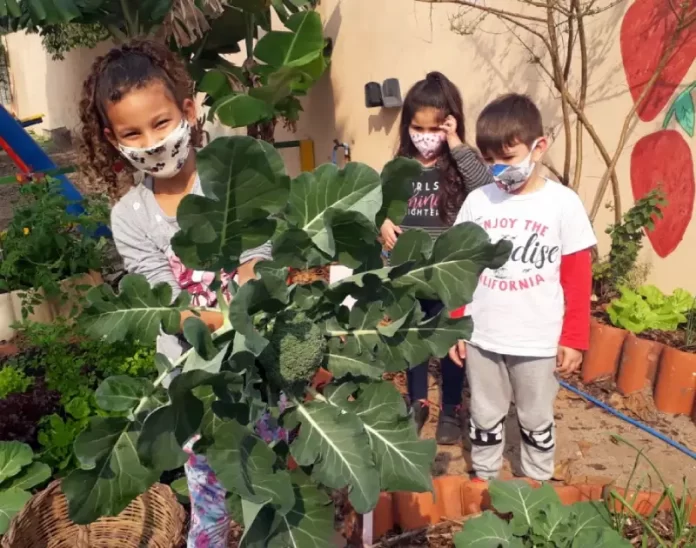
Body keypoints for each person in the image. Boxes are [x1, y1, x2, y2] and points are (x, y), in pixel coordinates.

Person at [78, 40, 278, 547]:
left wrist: (247, 297)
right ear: (112, 138)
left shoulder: (232, 178)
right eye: (132, 133)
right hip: (192, 385)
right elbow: (163, 299)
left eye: (162, 123)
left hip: (259, 367)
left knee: (271, 484)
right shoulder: (130, 216)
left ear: (187, 112)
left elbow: (261, 251)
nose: (151, 140)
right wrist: (212, 321)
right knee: (208, 502)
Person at [449, 93, 596, 481]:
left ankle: (537, 478)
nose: (499, 170)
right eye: (489, 160)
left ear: (539, 146)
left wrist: (574, 337)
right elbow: (460, 267)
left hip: (537, 341)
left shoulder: (563, 205)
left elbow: (578, 277)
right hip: (483, 336)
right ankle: (484, 475)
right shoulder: (477, 203)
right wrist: (455, 324)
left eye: (509, 158)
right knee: (484, 411)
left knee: (535, 415)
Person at [380, 71, 493, 445]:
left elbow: (484, 187)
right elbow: (380, 208)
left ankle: (450, 410)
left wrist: (458, 144)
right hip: (408, 273)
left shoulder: (460, 166)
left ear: (450, 124)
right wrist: (381, 225)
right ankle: (418, 403)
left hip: (449, 275)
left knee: (448, 344)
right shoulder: (398, 166)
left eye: (436, 128)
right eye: (417, 127)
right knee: (413, 341)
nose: (426, 136)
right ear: (407, 126)